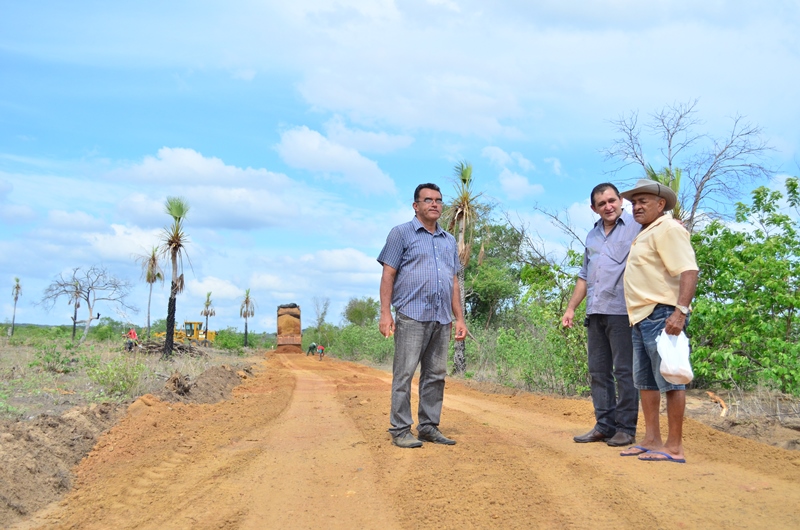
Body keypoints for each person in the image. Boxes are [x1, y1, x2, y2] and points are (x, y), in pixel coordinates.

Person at [378, 182, 468, 448]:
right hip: (411, 316)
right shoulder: (401, 234)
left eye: (439, 200)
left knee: (435, 375)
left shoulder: (448, 240)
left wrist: (459, 318)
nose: (434, 204)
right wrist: (385, 313)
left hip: (441, 318)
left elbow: (453, 282)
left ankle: (428, 426)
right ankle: (400, 429)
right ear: (415, 205)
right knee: (404, 374)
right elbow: (388, 274)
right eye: (428, 200)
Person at [619, 179, 699, 463]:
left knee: (671, 378)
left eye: (643, 202)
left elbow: (689, 269)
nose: (636, 207)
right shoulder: (646, 232)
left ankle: (674, 446)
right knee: (646, 382)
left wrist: (681, 311)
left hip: (663, 314)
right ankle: (651, 438)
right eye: (633, 203)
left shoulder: (668, 228)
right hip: (641, 316)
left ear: (660, 204)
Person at [562, 183, 640, 447]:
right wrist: (571, 307)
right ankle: (604, 425)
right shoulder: (592, 235)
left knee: (625, 372)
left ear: (620, 201)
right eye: (602, 203)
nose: (608, 207)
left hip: (622, 311)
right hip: (595, 312)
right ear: (594, 208)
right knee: (598, 372)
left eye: (612, 201)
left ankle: (626, 428)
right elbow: (584, 276)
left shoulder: (637, 228)